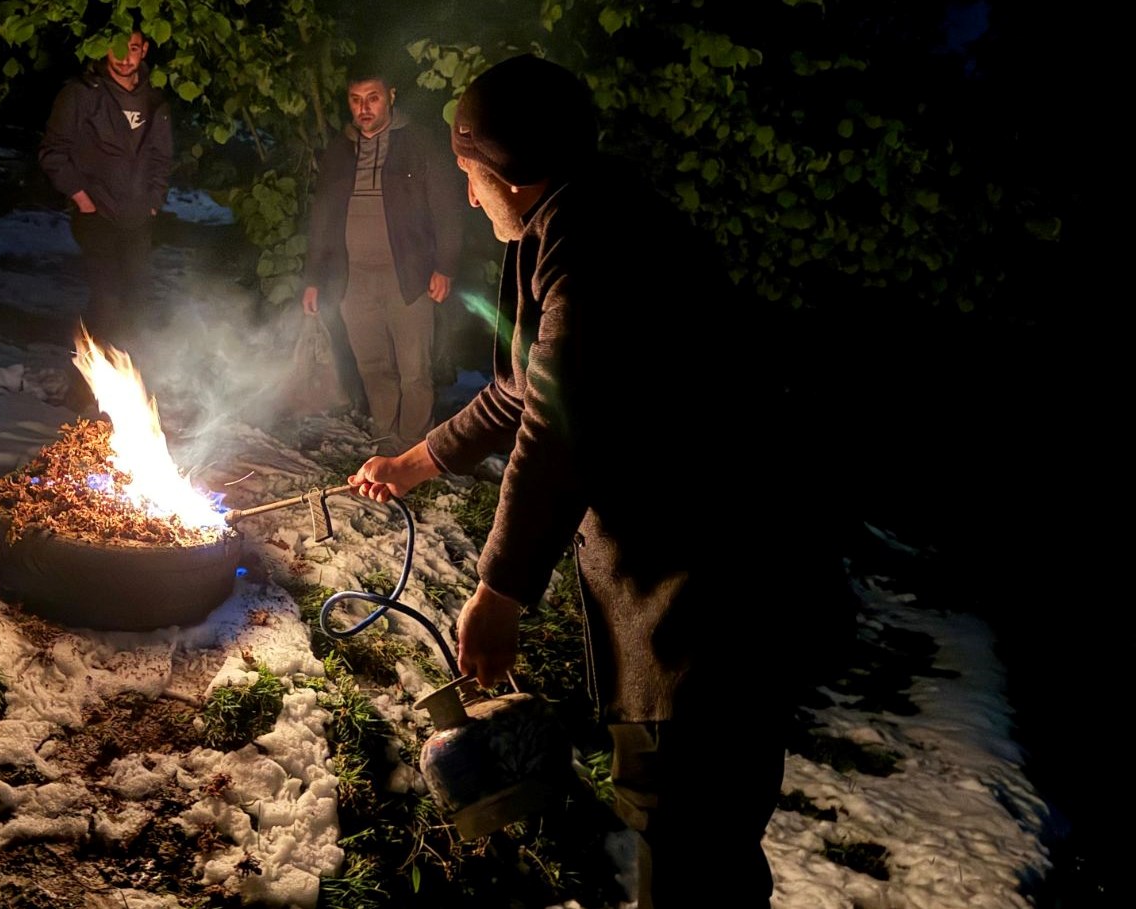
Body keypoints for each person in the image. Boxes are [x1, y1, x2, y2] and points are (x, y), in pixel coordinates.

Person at [347, 55, 850, 908]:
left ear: (509, 169)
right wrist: (419, 460)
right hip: (690, 586)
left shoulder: (594, 246)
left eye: (472, 175)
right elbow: (523, 385)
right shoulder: (570, 218)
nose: (468, 196)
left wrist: (500, 589)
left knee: (692, 831)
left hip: (711, 590)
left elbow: (559, 418)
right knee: (682, 820)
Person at [302, 63, 464, 456]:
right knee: (373, 364)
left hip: (406, 275)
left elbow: (447, 208)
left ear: (390, 95)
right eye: (356, 100)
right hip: (352, 278)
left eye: (372, 98)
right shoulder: (340, 151)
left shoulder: (419, 142)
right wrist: (313, 277)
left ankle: (412, 449)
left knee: (415, 369)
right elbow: (322, 218)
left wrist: (445, 265)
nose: (364, 108)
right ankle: (384, 436)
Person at [39, 31, 173, 349]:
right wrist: (82, 199)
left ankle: (131, 380)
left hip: (138, 218)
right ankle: (89, 385)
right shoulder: (83, 94)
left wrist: (154, 201)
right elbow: (52, 152)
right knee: (107, 300)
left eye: (133, 49)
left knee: (137, 301)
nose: (124, 58)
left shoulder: (154, 99)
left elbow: (161, 156)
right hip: (96, 215)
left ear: (145, 50)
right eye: (117, 48)